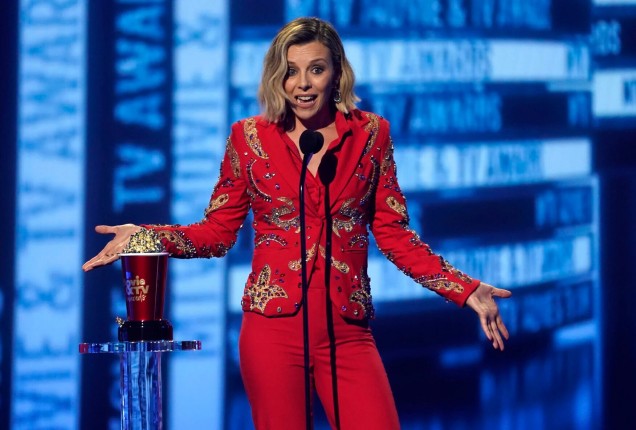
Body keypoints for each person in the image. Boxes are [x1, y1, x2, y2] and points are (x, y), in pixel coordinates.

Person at [83, 17, 511, 430]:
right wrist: (146, 236)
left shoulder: (371, 135)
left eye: (316, 70)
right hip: (272, 332)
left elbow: (394, 235)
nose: (303, 84)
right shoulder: (248, 138)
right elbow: (217, 234)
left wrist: (464, 287)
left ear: (337, 73)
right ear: (277, 77)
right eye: (291, 72)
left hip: (347, 332)